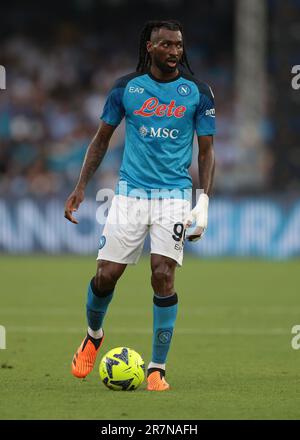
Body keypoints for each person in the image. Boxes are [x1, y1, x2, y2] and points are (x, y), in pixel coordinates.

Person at [64, 19, 216, 391]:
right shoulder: (126, 89)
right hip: (130, 194)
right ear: (150, 48)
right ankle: (93, 335)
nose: (174, 52)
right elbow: (101, 140)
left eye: (179, 45)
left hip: (174, 196)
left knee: (163, 273)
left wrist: (205, 199)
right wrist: (80, 186)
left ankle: (156, 369)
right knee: (106, 276)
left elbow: (207, 150)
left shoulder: (197, 91)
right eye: (166, 45)